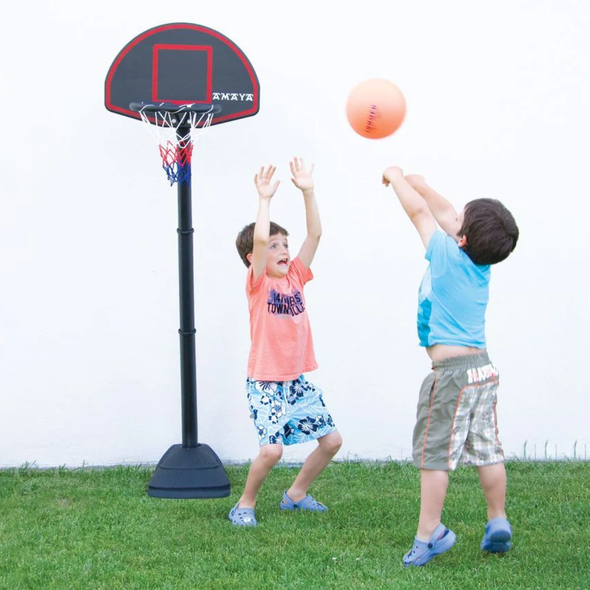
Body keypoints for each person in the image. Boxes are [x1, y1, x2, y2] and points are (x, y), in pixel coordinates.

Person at [381, 166, 519, 566]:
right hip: (482, 370)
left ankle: (430, 534)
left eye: (459, 219)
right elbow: (443, 214)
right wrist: (423, 184)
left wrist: (397, 179)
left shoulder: (445, 256)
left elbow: (421, 215)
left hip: (453, 377)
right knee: (487, 449)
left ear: (461, 238)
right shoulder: (481, 265)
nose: (451, 217)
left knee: (434, 455)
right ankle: (497, 519)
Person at [230, 158, 342, 526]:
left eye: (285, 244)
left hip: (294, 381)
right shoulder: (258, 282)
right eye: (275, 246)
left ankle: (295, 495)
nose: (282, 250)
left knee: (331, 441)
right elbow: (259, 238)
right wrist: (264, 199)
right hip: (264, 380)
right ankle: (244, 504)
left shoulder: (295, 274)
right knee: (271, 450)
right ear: (254, 259)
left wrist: (308, 191)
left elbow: (315, 235)